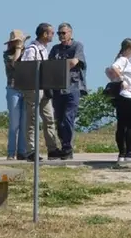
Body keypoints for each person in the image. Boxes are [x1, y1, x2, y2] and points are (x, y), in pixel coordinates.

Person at [20, 23, 60, 161]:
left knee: (49, 119)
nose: (53, 36)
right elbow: (26, 68)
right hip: (33, 88)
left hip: (44, 87)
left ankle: (52, 149)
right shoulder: (32, 49)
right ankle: (31, 151)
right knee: (32, 120)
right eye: (51, 33)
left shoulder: (44, 49)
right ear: (44, 34)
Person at [48, 22, 87, 160]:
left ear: (70, 33)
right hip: (58, 90)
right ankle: (64, 145)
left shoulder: (77, 46)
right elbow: (50, 66)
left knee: (67, 118)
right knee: (59, 120)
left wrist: (59, 67)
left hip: (73, 88)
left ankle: (67, 148)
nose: (61, 36)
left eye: (63, 33)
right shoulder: (55, 49)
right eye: (59, 33)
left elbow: (75, 62)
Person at [106, 38, 131, 162]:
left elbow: (109, 71)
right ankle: (128, 151)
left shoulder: (124, 60)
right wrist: (122, 80)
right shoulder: (123, 60)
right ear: (129, 49)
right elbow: (114, 68)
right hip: (128, 95)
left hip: (122, 96)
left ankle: (122, 152)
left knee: (122, 125)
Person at [3, 30, 28, 160]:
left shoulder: (28, 52)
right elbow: (15, 64)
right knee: (14, 123)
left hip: (26, 89)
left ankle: (22, 152)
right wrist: (18, 48)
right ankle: (11, 152)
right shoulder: (7, 55)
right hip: (13, 89)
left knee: (25, 123)